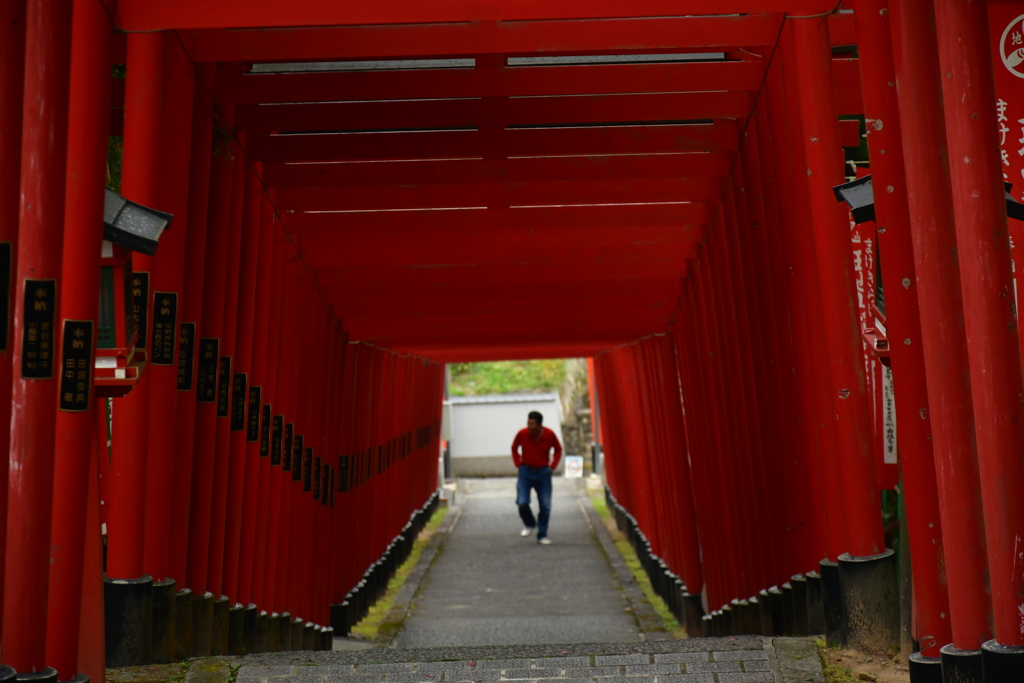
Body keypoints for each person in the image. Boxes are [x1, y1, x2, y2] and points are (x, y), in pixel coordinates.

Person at [511, 411, 563, 545]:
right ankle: (529, 523)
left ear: (540, 425)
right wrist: (518, 462)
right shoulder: (522, 434)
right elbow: (514, 447)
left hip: (543, 472)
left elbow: (558, 449)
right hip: (526, 471)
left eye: (532, 424)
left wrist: (552, 466)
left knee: (545, 505)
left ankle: (542, 534)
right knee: (522, 501)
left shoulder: (549, 435)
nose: (529, 426)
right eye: (528, 423)